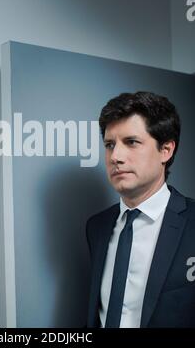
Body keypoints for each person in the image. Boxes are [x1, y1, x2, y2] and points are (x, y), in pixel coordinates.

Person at [86, 91, 195, 328]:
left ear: (166, 150)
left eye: (131, 142)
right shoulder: (97, 227)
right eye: (109, 145)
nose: (115, 156)